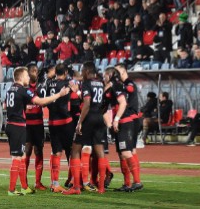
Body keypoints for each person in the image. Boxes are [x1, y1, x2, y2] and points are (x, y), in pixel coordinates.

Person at [5, 66, 69, 196]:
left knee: (21, 156)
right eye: (27, 75)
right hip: (18, 126)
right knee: (17, 157)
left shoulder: (10, 89)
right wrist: (59, 94)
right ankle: (12, 190)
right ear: (21, 77)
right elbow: (40, 101)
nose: (28, 77)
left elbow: (5, 105)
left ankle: (24, 187)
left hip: (11, 125)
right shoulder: (23, 90)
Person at [63, 62, 108, 195]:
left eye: (83, 70)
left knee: (75, 150)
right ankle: (101, 187)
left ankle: (76, 187)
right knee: (100, 152)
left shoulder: (87, 83)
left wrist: (80, 122)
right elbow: (104, 103)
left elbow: (87, 103)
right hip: (100, 118)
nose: (81, 73)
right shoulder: (100, 83)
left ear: (88, 71)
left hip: (89, 118)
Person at [111, 63, 143, 191]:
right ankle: (128, 183)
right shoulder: (120, 85)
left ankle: (136, 181)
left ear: (123, 72)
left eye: (117, 72)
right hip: (125, 119)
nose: (115, 75)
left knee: (129, 151)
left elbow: (129, 90)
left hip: (132, 119)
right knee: (123, 152)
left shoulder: (129, 83)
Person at [46, 64, 74, 193]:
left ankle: (55, 183)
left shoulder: (48, 83)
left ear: (55, 72)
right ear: (66, 72)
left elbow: (46, 101)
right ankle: (73, 179)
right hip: (65, 121)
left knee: (56, 152)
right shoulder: (67, 83)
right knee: (71, 151)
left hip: (52, 122)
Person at [24, 65, 46, 191]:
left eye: (36, 71)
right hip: (27, 125)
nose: (35, 73)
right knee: (27, 151)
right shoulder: (24, 88)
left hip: (38, 124)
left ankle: (38, 182)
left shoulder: (41, 87)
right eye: (33, 71)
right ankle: (24, 181)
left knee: (39, 151)